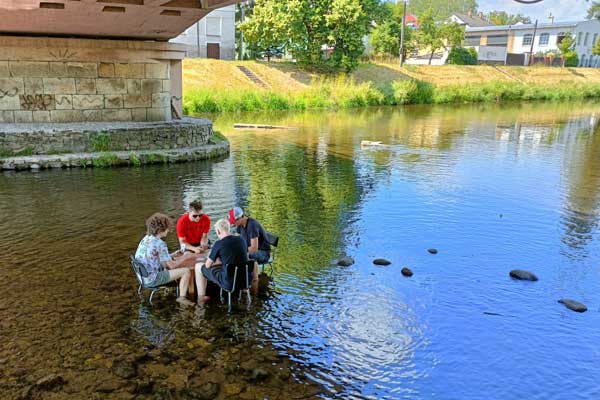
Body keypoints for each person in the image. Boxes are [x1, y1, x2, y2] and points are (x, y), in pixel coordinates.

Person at [135, 213, 196, 306]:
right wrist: (185, 257)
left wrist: (172, 255)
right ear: (161, 229)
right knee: (186, 271)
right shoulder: (160, 244)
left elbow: (154, 257)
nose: (169, 230)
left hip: (142, 277)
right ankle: (182, 298)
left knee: (175, 267)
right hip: (153, 279)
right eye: (168, 228)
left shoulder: (146, 239)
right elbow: (171, 266)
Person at [195, 219, 252, 304]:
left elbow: (207, 265)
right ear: (228, 229)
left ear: (218, 231)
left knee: (198, 266)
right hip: (245, 280)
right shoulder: (241, 240)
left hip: (228, 282)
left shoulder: (219, 244)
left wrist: (212, 258)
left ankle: (201, 297)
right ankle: (243, 293)